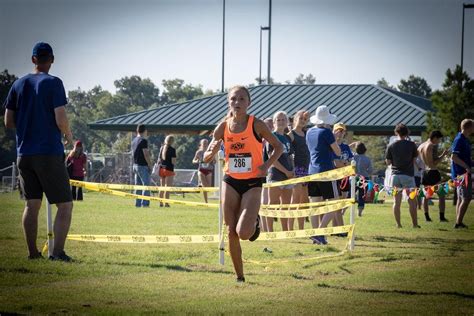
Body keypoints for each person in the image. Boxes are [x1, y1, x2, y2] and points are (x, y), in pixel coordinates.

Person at [203, 85, 283, 282]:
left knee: (244, 233)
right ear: (228, 102)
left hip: (253, 182)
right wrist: (210, 153)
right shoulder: (222, 127)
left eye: (241, 99)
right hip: (230, 180)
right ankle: (240, 276)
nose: (236, 103)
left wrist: (266, 165)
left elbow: (278, 147)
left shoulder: (257, 124)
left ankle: (254, 223)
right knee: (230, 231)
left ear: (249, 103)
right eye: (233, 99)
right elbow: (206, 157)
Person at [3, 42, 74, 261]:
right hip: (48, 152)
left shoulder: (18, 85)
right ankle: (57, 253)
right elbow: (60, 118)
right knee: (65, 205)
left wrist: (28, 125)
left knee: (31, 204)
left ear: (33, 59)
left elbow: (8, 121)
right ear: (52, 60)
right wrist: (68, 135)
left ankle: (33, 253)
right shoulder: (54, 83)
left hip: (24, 153)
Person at [306, 105, 341, 245]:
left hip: (312, 171)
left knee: (315, 205)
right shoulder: (327, 132)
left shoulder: (309, 131)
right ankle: (320, 232)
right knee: (335, 203)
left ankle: (316, 235)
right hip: (326, 170)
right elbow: (337, 152)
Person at [385, 123, 419, 228]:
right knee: (412, 201)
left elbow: (388, 162)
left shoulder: (391, 146)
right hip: (408, 175)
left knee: (397, 201)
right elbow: (414, 160)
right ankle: (414, 224)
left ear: (396, 132)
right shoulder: (412, 145)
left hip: (395, 176)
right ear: (407, 132)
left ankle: (398, 224)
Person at [267, 111, 295, 232]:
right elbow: (271, 159)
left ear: (287, 122)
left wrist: (292, 170)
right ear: (274, 123)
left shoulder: (287, 138)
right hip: (276, 175)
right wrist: (286, 171)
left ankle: (285, 231)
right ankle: (270, 232)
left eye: (283, 119)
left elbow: (290, 156)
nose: (281, 122)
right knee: (272, 204)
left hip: (288, 176)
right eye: (278, 120)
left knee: (286, 205)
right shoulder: (271, 137)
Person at [418, 130, 449, 222]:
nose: (439, 142)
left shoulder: (421, 145)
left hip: (425, 172)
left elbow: (416, 157)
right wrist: (443, 155)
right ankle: (442, 217)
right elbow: (433, 163)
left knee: (426, 196)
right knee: (442, 195)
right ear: (435, 138)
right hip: (433, 172)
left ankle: (427, 218)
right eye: (439, 140)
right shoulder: (430, 146)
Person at [288, 110, 310, 230]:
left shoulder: (307, 134)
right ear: (296, 118)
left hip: (306, 169)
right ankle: (290, 228)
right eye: (301, 118)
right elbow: (287, 153)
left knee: (304, 201)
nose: (302, 121)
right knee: (295, 200)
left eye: (305, 120)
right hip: (296, 169)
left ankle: (301, 228)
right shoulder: (291, 134)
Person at [451, 119, 473, 229]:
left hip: (463, 173)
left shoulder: (465, 139)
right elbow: (454, 157)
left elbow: (464, 157)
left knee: (461, 198)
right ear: (469, 127)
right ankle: (458, 223)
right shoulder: (459, 139)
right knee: (467, 197)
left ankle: (458, 221)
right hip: (461, 174)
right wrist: (467, 167)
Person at [332, 123, 353, 229]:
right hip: (335, 177)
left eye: (342, 131)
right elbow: (335, 163)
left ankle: (336, 228)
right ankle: (338, 228)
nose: (340, 133)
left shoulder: (346, 147)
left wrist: (344, 163)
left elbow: (351, 163)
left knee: (342, 204)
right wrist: (344, 164)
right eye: (338, 131)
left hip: (344, 178)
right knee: (336, 204)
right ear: (334, 132)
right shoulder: (332, 146)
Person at [132, 124, 153, 208]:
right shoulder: (143, 140)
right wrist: (150, 164)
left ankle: (137, 203)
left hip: (135, 165)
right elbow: (146, 154)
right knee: (146, 185)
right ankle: (145, 204)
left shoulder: (134, 140)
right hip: (143, 165)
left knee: (138, 186)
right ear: (145, 131)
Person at [260, 117, 274, 232]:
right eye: (266, 125)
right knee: (263, 201)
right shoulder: (258, 139)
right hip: (260, 173)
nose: (268, 128)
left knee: (267, 201)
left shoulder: (273, 139)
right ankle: (264, 227)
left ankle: (267, 227)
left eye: (270, 125)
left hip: (270, 173)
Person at [353, 142, 373, 216]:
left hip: (354, 178)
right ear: (365, 150)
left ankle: (343, 210)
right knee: (362, 195)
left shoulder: (353, 157)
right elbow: (370, 171)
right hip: (364, 178)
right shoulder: (367, 159)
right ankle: (359, 212)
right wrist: (365, 172)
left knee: (350, 194)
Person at [193, 139, 214, 203]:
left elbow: (214, 160)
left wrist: (213, 160)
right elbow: (193, 160)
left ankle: (201, 184)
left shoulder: (210, 151)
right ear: (201, 144)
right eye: (203, 143)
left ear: (208, 144)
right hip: (201, 170)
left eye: (206, 143)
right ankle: (206, 202)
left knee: (208, 188)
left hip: (208, 170)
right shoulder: (198, 152)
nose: (205, 145)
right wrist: (196, 161)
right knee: (205, 186)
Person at [158, 135, 177, 207]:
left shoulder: (161, 148)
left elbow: (159, 159)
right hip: (169, 169)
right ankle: (166, 203)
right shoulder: (172, 149)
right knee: (167, 187)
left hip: (161, 169)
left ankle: (160, 202)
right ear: (172, 141)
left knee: (162, 187)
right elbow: (173, 162)